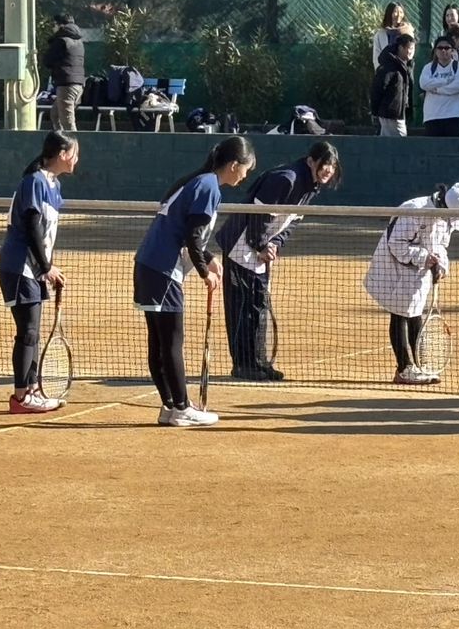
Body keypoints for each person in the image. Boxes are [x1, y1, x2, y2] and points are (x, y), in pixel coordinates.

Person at [134, 136, 256, 428]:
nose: (245, 176)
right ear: (234, 165)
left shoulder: (198, 182)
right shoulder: (209, 187)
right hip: (162, 270)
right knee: (171, 342)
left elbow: (189, 232)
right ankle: (181, 407)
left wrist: (209, 258)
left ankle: (170, 407)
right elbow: (192, 236)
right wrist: (205, 272)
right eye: (246, 170)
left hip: (149, 265)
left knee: (160, 341)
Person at [215, 141, 342, 381]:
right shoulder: (286, 179)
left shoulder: (310, 186)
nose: (329, 170)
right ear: (311, 161)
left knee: (258, 306)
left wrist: (274, 244)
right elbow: (258, 215)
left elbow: (292, 221)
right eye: (325, 163)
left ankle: (259, 363)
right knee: (244, 307)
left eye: (333, 166)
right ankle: (244, 365)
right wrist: (260, 245)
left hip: (259, 251)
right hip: (240, 247)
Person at [0, 130, 80, 414]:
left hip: (33, 270)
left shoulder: (52, 185)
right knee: (28, 332)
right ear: (62, 154)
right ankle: (21, 397)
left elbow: (45, 235)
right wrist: (46, 267)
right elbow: (31, 227)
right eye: (74, 154)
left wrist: (47, 270)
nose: (76, 160)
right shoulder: (34, 182)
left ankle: (31, 390)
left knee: (32, 333)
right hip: (19, 266)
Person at [364, 182, 459, 385]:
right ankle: (404, 368)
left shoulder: (446, 218)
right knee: (400, 312)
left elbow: (441, 245)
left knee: (414, 311)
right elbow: (396, 244)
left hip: (417, 272)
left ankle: (419, 365)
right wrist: (424, 257)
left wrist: (441, 264)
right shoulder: (414, 210)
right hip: (393, 267)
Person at [43, 14, 85, 132]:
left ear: (60, 25)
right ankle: (61, 142)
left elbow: (47, 60)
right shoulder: (78, 41)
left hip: (66, 85)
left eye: (54, 25)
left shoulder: (61, 41)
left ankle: (72, 148)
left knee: (68, 123)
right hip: (78, 85)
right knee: (55, 114)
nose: (53, 28)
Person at [420, 36, 459, 137]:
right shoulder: (428, 68)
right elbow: (424, 84)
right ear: (435, 51)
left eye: (447, 48)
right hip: (432, 116)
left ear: (452, 50)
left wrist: (437, 89)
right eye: (440, 48)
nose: (443, 51)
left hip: (454, 115)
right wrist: (446, 81)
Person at [371, 34, 414, 137]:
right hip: (391, 114)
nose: (411, 52)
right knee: (398, 143)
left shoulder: (405, 67)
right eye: (409, 48)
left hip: (398, 114)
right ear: (400, 48)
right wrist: (375, 111)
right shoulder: (389, 67)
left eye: (413, 49)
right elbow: (378, 89)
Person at [372, 2, 416, 70]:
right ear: (389, 14)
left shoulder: (408, 31)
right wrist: (380, 70)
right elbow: (376, 55)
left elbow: (411, 52)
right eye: (395, 12)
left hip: (403, 69)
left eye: (401, 12)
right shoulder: (380, 34)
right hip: (386, 70)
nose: (398, 15)